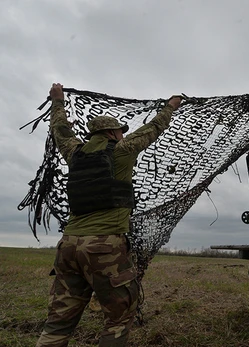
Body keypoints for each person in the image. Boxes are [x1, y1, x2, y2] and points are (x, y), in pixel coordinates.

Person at [36, 83, 182, 347]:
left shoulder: (74, 152)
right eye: (121, 131)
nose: (123, 135)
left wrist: (57, 102)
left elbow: (60, 130)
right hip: (104, 247)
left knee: (58, 323)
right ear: (113, 132)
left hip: (69, 246)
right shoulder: (122, 151)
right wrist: (170, 107)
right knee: (117, 318)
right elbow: (152, 129)